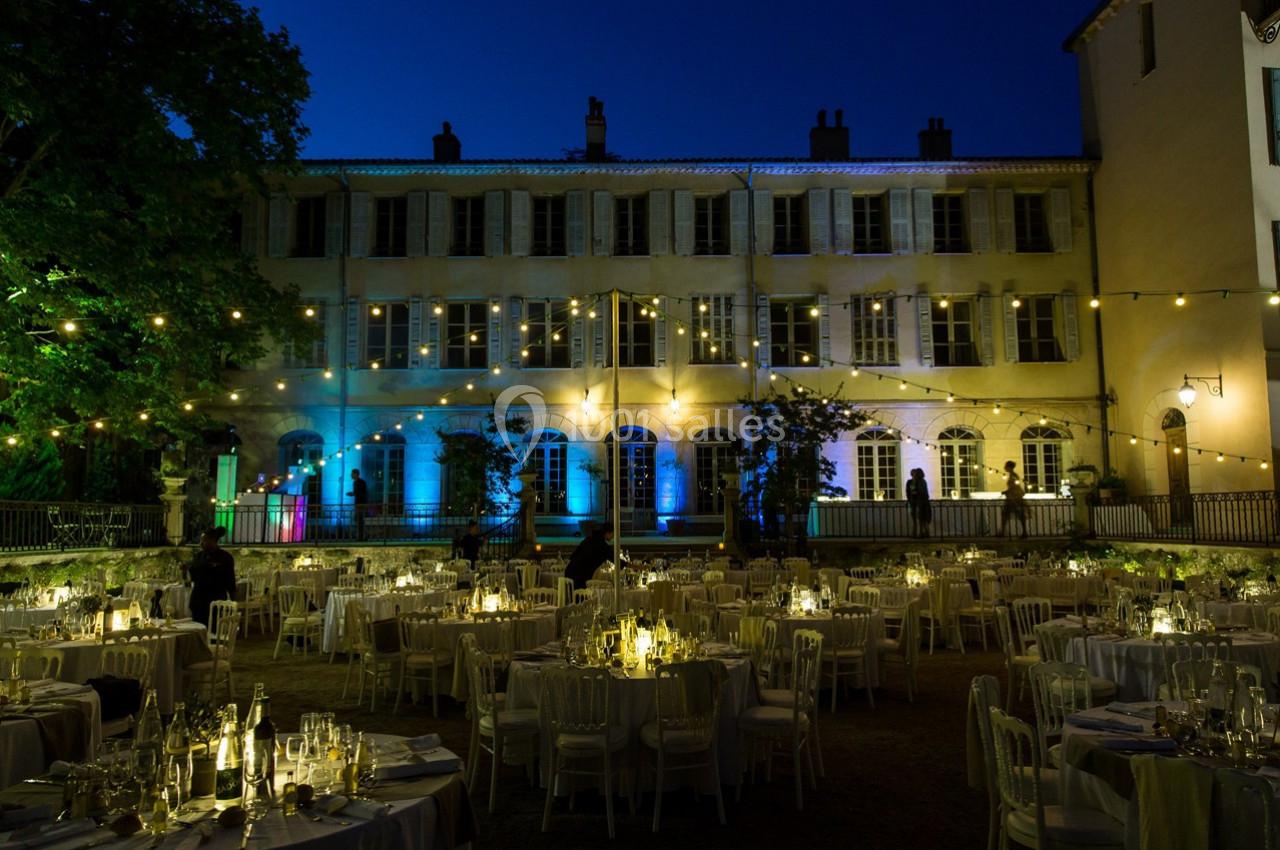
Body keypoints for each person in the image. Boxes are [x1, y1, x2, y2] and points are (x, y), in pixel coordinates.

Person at [186, 527, 235, 627]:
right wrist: (186, 571)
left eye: (204, 540)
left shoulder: (225, 557)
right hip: (198, 599)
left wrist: (233, 602)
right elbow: (193, 577)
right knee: (198, 628)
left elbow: (230, 580)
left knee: (213, 628)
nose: (201, 543)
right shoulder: (199, 556)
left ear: (213, 540)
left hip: (215, 600)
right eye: (201, 540)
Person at [1001, 460, 1028, 538]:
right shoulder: (1012, 475)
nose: (1004, 467)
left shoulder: (1013, 476)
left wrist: (1006, 491)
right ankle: (1003, 532)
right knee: (1007, 515)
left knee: (1016, 515)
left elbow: (1014, 486)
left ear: (1009, 467)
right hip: (1013, 497)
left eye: (1006, 466)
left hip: (1014, 498)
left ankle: (1024, 532)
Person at [905, 468, 932, 538]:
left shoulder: (920, 481)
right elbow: (908, 491)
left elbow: (921, 492)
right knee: (920, 519)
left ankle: (921, 533)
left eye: (915, 473)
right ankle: (921, 533)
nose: (914, 475)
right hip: (917, 502)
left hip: (919, 502)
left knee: (921, 519)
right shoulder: (914, 482)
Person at [347, 469, 368, 541]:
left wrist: (353, 494)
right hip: (359, 503)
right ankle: (362, 535)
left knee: (359, 520)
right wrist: (353, 493)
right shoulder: (356, 482)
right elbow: (359, 492)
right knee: (358, 520)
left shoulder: (360, 482)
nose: (351, 475)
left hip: (360, 503)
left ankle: (362, 536)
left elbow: (360, 493)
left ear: (356, 474)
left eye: (352, 474)